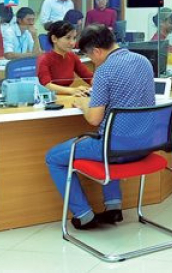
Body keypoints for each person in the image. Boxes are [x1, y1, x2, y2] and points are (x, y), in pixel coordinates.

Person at [45, 24, 156, 229]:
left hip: (115, 148)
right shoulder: (143, 61)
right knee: (113, 137)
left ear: (96, 51)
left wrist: (83, 104)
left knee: (53, 157)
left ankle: (83, 215)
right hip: (145, 144)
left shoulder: (105, 71)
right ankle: (113, 207)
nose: (92, 62)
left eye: (90, 57)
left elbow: (94, 119)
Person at [37, 21, 93, 96]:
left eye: (74, 38)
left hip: (67, 96)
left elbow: (88, 76)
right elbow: (46, 85)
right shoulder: (44, 59)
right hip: (51, 98)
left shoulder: (72, 56)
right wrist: (71, 90)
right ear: (54, 39)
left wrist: (101, 86)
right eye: (68, 38)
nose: (72, 43)